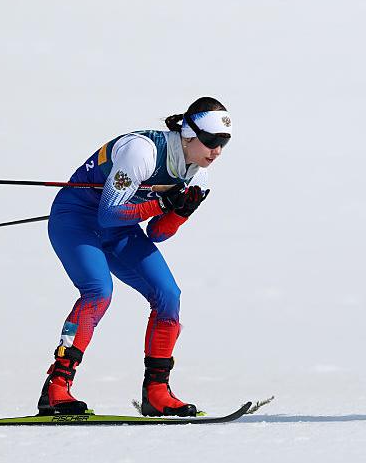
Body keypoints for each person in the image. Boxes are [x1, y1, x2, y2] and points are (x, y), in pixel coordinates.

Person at [37, 97, 232, 416]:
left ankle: (156, 392)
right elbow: (108, 214)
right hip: (78, 219)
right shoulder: (142, 152)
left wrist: (180, 213)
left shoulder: (199, 177)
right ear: (188, 133)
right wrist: (163, 204)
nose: (217, 150)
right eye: (210, 141)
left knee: (168, 295)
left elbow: (156, 233)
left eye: (223, 142)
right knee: (98, 292)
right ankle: (56, 388)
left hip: (120, 229)